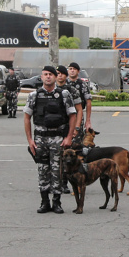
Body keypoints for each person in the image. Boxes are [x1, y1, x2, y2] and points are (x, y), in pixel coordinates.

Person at [24, 65, 77, 214]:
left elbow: (72, 115)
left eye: (51, 74)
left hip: (58, 138)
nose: (48, 77)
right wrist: (30, 140)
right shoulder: (34, 95)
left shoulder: (64, 94)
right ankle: (44, 202)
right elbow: (27, 117)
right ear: (41, 77)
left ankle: (57, 202)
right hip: (40, 139)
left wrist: (68, 137)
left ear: (55, 77)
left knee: (57, 171)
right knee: (42, 170)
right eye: (45, 74)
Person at [65, 62, 93, 133]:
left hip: (78, 114)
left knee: (77, 138)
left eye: (74, 69)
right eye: (70, 69)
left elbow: (88, 102)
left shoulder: (82, 85)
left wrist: (88, 121)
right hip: (65, 114)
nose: (72, 71)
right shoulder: (64, 84)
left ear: (78, 71)